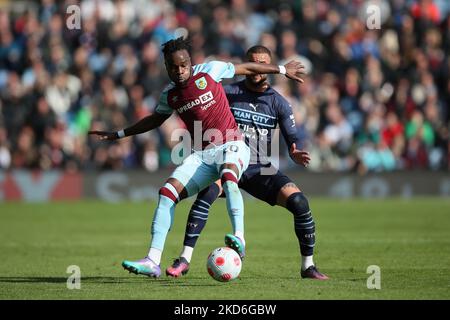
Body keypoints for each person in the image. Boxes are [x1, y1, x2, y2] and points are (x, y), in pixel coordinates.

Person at [88, 37, 307, 277]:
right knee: (166, 194)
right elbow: (155, 119)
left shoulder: (210, 70)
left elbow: (249, 67)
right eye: (175, 67)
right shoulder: (170, 95)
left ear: (190, 62)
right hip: (203, 155)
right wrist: (119, 134)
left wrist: (283, 70)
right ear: (167, 66)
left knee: (229, 177)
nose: (181, 71)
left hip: (233, 144)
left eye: (184, 65)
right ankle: (153, 260)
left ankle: (240, 237)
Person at [165, 45, 328, 280]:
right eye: (254, 63)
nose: (258, 69)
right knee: (206, 195)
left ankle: (308, 267)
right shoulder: (226, 91)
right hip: (225, 161)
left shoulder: (279, 102)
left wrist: (293, 150)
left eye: (264, 64)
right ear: (247, 64)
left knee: (300, 203)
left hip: (260, 168)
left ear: (269, 67)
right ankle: (184, 259)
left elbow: (292, 136)